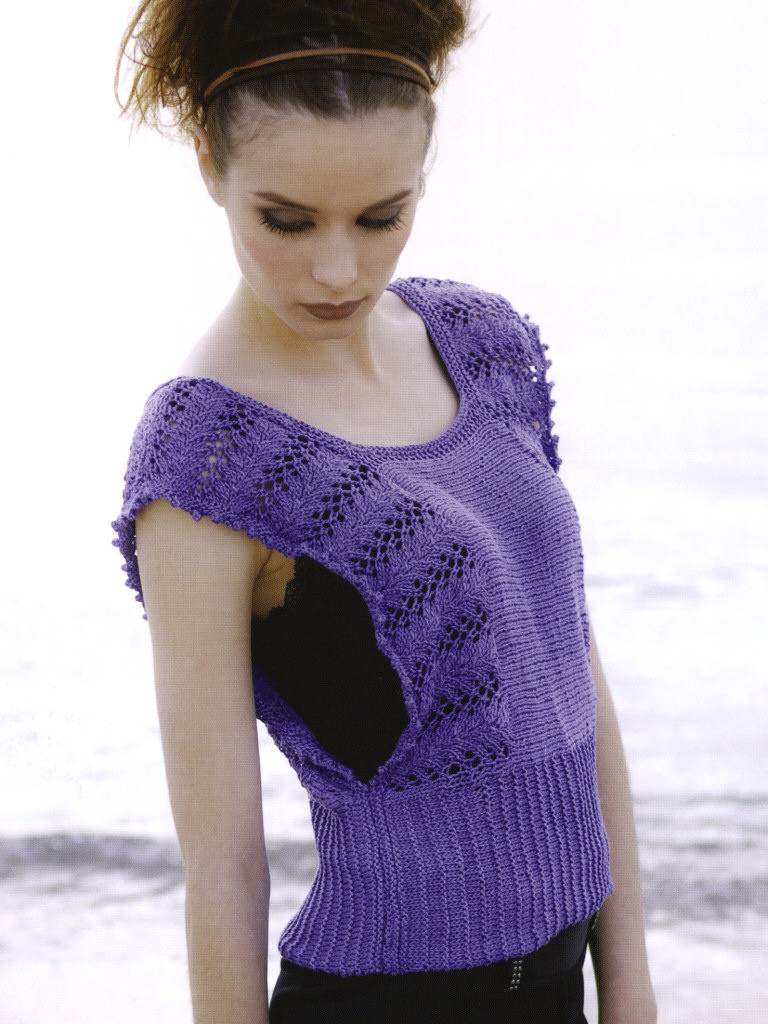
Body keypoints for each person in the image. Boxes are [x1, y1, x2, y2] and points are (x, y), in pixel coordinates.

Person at [111, 3, 658, 1023]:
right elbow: (223, 864)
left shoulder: (483, 344)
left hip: (563, 991)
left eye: (380, 217)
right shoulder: (207, 459)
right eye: (287, 221)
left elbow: (575, 679)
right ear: (209, 162)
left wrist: (631, 988)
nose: (339, 270)